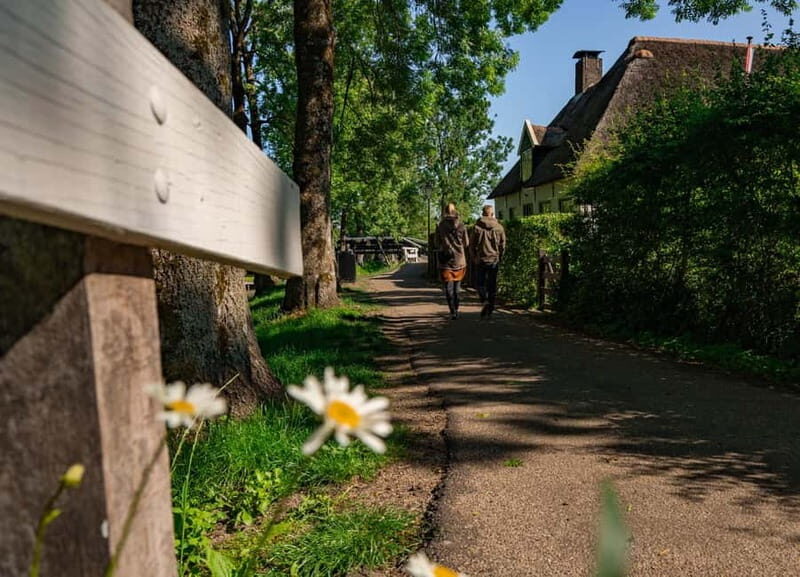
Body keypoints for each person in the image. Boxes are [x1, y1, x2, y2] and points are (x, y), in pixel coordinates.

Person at [470, 204, 506, 318]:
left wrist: (474, 257)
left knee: (479, 283)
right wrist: (500, 257)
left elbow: (471, 245)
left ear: (482, 214)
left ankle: (484, 300)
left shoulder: (477, 228)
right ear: (492, 214)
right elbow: (503, 245)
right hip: (494, 259)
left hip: (481, 259)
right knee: (492, 285)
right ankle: (490, 309)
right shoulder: (499, 227)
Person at [435, 203, 469, 319]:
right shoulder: (462, 225)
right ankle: (457, 309)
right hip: (460, 260)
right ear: (455, 211)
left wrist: (444, 246)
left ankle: (452, 311)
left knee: (448, 288)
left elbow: (436, 243)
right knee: (457, 288)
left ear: (445, 212)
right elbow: (466, 243)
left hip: (446, 261)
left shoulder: (440, 226)